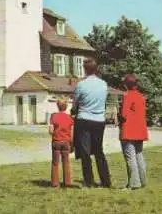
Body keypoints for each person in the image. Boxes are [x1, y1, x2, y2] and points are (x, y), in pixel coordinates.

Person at [72, 58, 111, 188]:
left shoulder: (81, 85)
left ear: (85, 69)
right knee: (99, 151)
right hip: (99, 120)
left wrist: (74, 110)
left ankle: (89, 181)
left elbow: (75, 103)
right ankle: (106, 181)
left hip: (84, 119)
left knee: (85, 152)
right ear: (96, 69)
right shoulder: (103, 84)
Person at [118, 74, 148, 190]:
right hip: (140, 131)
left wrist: (118, 115)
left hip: (128, 130)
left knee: (130, 158)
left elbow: (124, 115)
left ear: (126, 84)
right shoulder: (141, 96)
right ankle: (142, 180)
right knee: (139, 156)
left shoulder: (127, 96)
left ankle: (134, 184)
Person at [48, 99, 74, 188]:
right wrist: (72, 143)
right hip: (66, 142)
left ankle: (55, 183)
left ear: (57, 106)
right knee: (66, 162)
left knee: (55, 162)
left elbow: (51, 130)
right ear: (66, 107)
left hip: (56, 141)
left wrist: (54, 133)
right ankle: (67, 182)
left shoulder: (53, 116)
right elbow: (72, 132)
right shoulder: (70, 117)